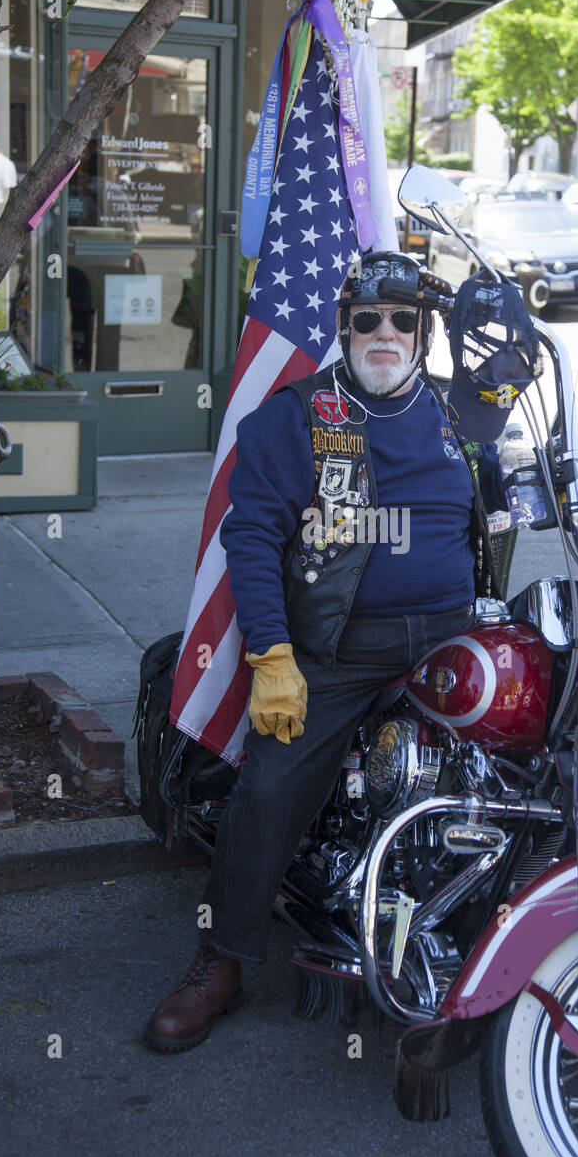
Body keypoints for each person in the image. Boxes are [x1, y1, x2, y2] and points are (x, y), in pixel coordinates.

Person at [144, 252, 514, 1052]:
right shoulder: (300, 414)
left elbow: (517, 495)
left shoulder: (459, 413)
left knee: (539, 749)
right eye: (368, 319)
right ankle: (223, 958)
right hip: (342, 646)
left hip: (456, 638)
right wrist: (272, 656)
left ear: (425, 330)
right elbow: (251, 537)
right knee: (272, 782)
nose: (386, 334)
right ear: (344, 326)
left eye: (404, 320)